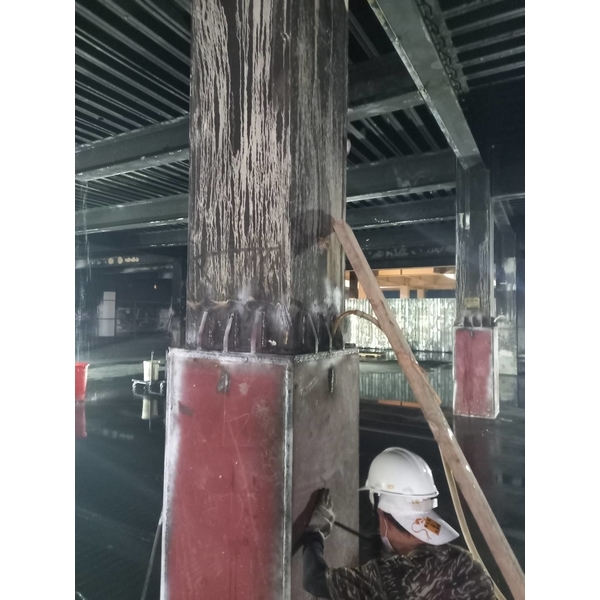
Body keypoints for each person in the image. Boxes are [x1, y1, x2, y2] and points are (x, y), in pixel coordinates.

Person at [302, 447, 496, 599]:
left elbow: (315, 580)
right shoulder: (467, 563)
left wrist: (315, 533)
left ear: (384, 517)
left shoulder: (389, 576)